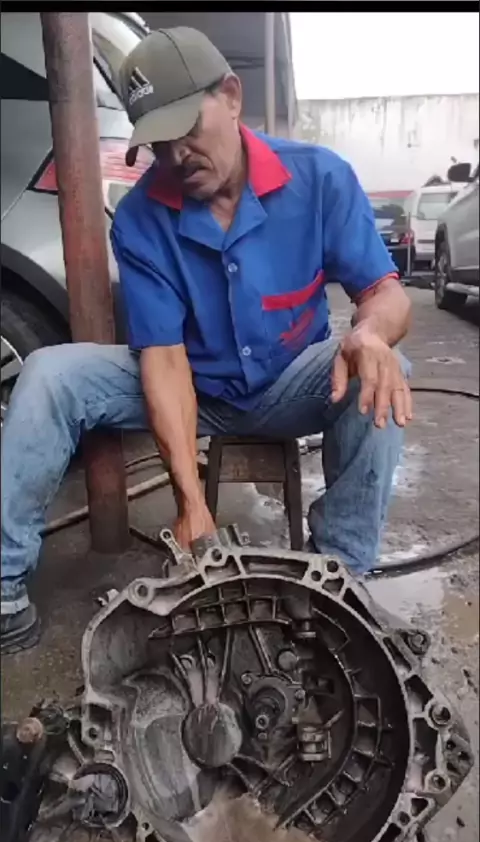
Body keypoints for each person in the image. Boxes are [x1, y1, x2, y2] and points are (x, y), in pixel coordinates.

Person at [1, 27, 412, 654]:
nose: (176, 154)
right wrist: (191, 503)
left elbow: (387, 293)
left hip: (293, 383)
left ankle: (340, 583)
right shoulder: (141, 217)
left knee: (383, 367)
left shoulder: (320, 178)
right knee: (50, 375)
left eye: (187, 128)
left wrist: (370, 333)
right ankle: (3, 587)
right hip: (193, 384)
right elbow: (164, 360)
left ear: (232, 96)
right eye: (158, 142)